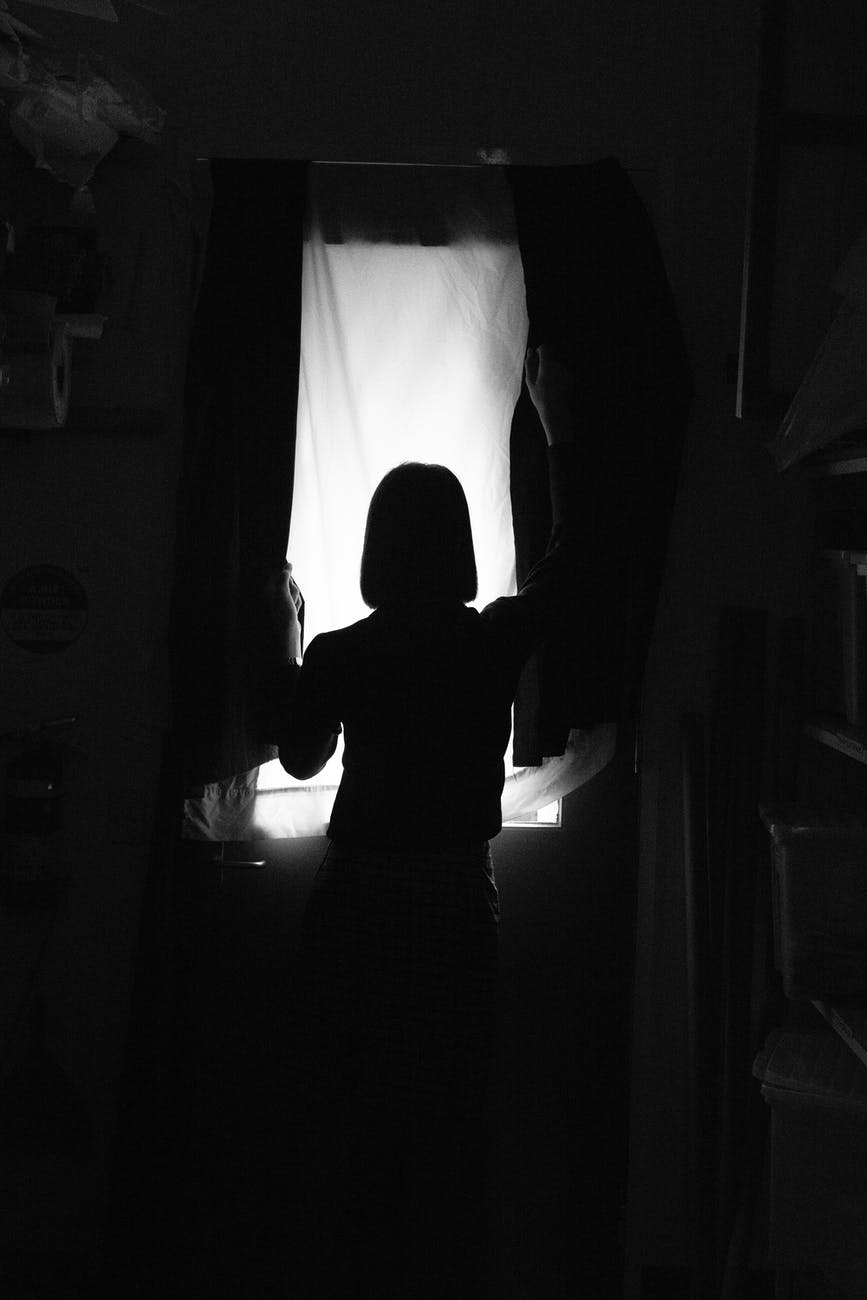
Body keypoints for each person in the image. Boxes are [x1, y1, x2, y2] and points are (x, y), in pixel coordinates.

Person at [265, 344, 576, 1299]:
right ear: (458, 548)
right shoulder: (491, 640)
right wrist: (555, 430)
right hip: (451, 902)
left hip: (356, 898)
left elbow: (300, 759)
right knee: (443, 1118)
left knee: (348, 1114)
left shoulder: (343, 651)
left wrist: (288, 636)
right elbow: (574, 560)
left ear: (376, 549)